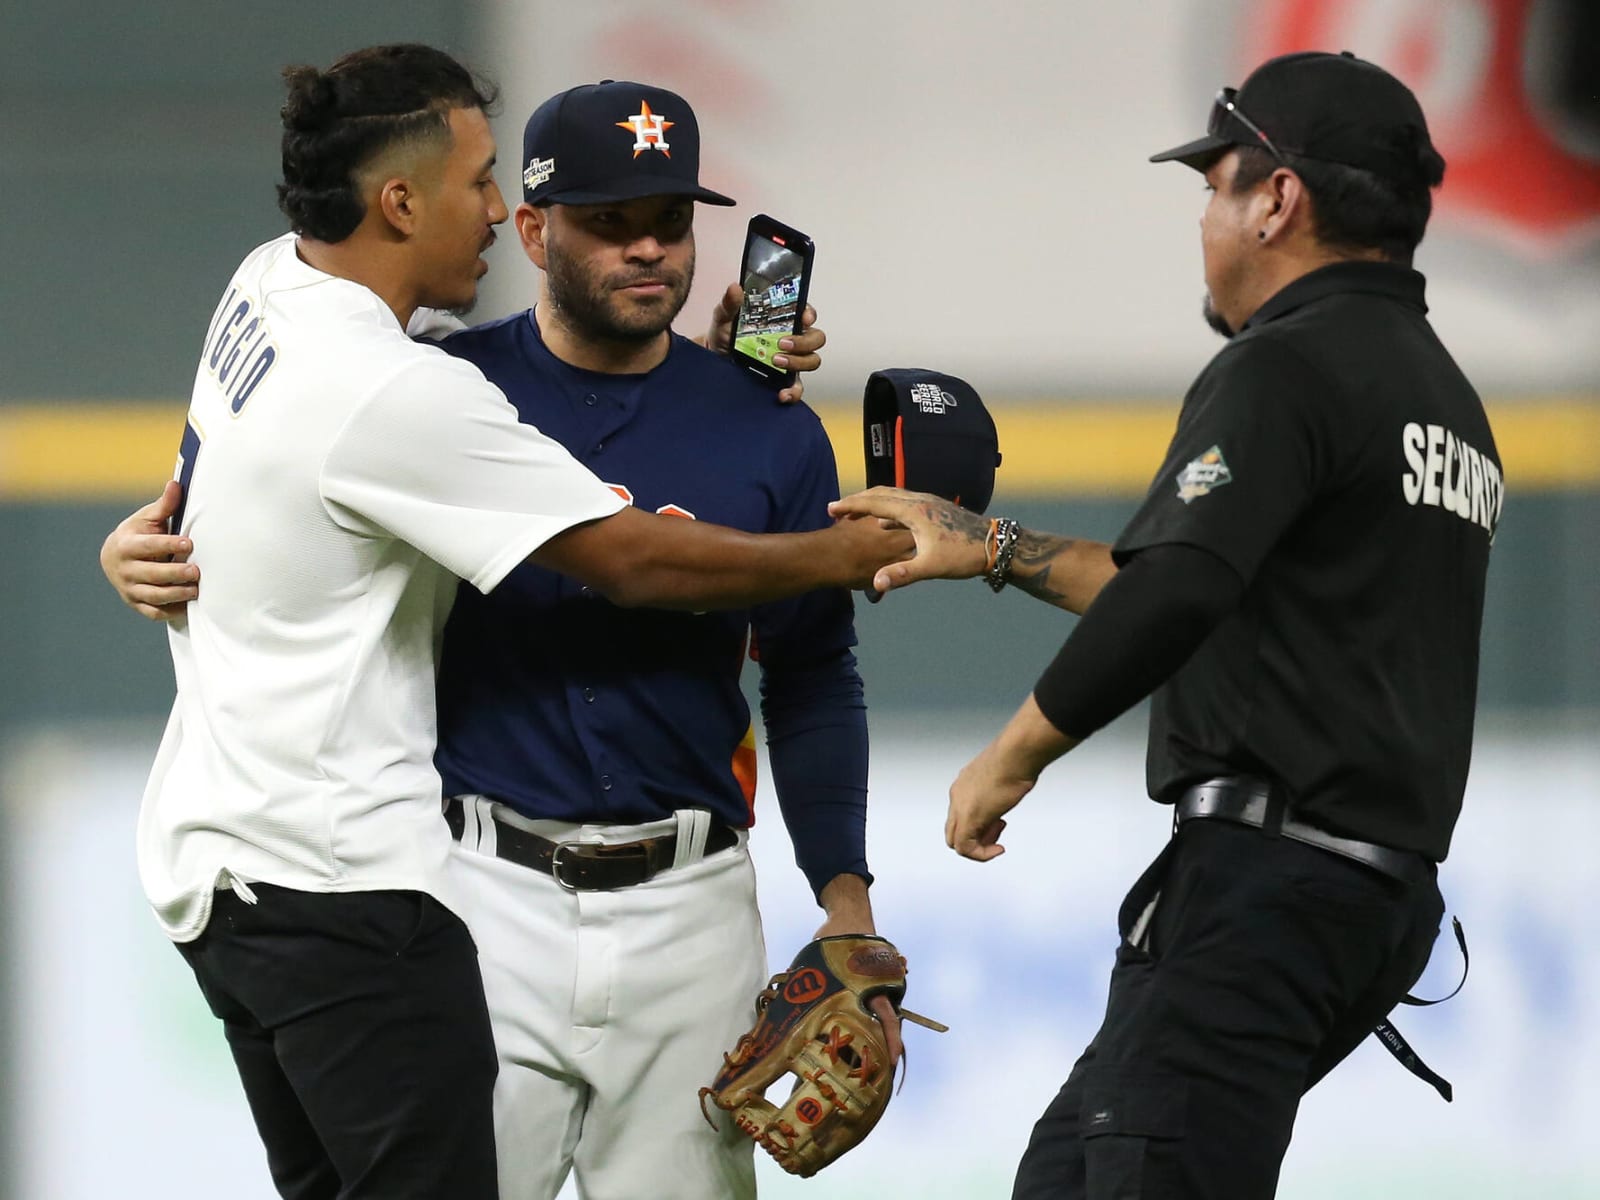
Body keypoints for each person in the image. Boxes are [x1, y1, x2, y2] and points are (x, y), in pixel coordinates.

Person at [104, 44, 908, 1200]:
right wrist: (131, 545)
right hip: (482, 890)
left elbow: (814, 674)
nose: (646, 246)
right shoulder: (436, 386)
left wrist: (845, 898)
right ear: (536, 235)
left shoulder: (764, 424)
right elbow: (618, 558)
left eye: (670, 220)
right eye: (606, 218)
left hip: (690, 906)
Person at [831, 50, 1498, 1199]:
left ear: (1277, 198)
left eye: (1214, 185)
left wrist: (1013, 754)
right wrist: (989, 548)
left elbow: (1179, 591)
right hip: (1362, 896)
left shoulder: (1287, 361)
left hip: (1266, 884)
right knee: (1074, 1174)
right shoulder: (1437, 394)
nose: (1205, 216)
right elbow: (1200, 582)